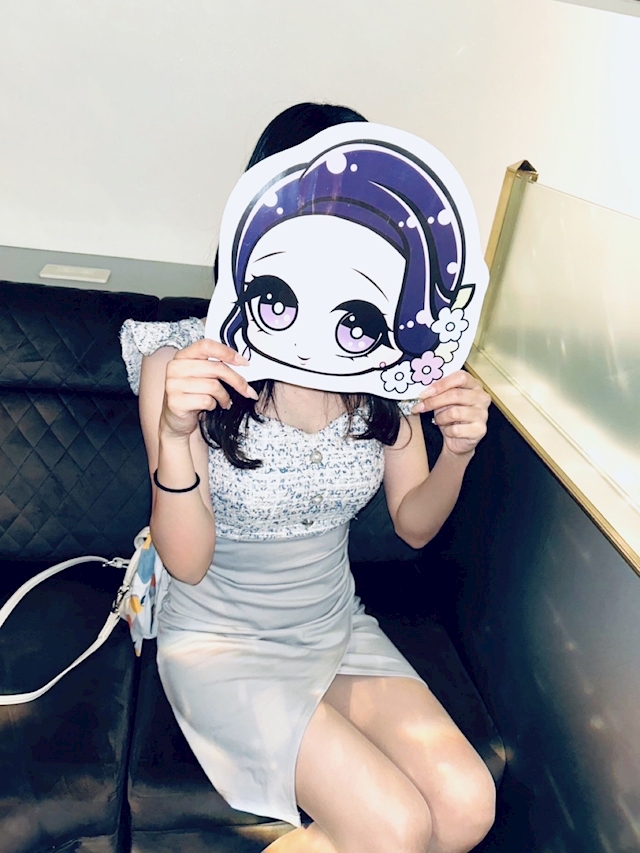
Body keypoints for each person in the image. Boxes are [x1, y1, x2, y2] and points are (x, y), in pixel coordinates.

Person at [120, 103, 495, 853]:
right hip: (221, 643)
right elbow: (185, 562)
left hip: (332, 628)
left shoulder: (383, 367)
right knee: (394, 827)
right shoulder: (186, 364)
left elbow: (415, 524)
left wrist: (457, 449)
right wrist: (174, 433)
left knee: (466, 806)